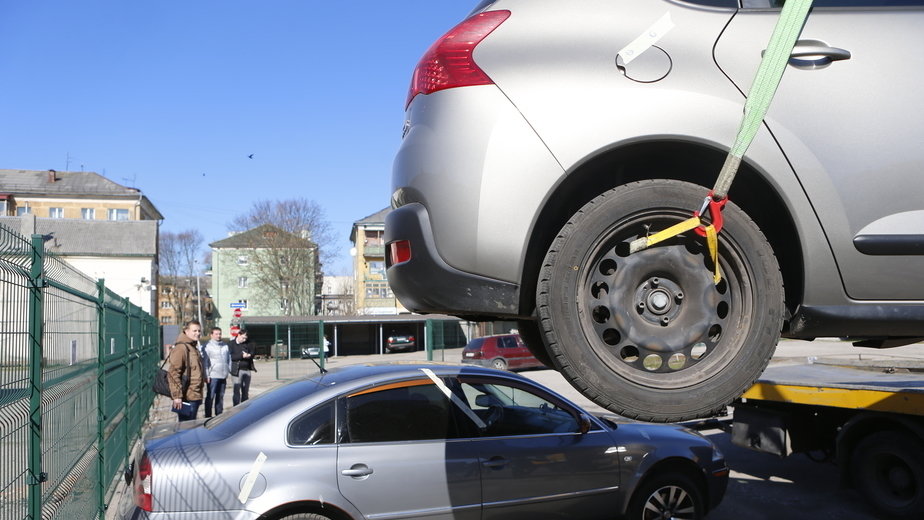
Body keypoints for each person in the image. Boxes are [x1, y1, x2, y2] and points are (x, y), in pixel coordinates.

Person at [167, 320, 206, 422]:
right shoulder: (181, 348)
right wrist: (177, 396)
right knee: (185, 429)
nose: (197, 333)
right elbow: (173, 373)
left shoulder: (192, 346)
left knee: (191, 427)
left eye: (199, 331)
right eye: (194, 331)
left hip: (195, 394)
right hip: (187, 397)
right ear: (186, 331)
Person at [201, 327, 231, 418]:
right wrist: (206, 375)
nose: (219, 336)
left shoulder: (225, 346)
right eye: (216, 334)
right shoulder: (207, 346)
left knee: (220, 396)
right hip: (213, 375)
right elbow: (205, 362)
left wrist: (228, 370)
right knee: (210, 396)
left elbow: (229, 359)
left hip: (223, 375)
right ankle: (208, 416)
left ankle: (219, 415)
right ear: (211, 335)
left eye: (220, 334)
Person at [229, 328, 255, 405]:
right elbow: (231, 357)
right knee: (237, 391)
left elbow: (253, 351)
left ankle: (244, 408)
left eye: (245, 338)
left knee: (245, 391)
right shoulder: (231, 344)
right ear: (238, 335)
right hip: (237, 370)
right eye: (243, 338)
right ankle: (236, 408)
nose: (244, 340)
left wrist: (250, 355)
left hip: (247, 370)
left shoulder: (247, 343)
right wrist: (242, 356)